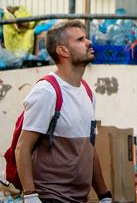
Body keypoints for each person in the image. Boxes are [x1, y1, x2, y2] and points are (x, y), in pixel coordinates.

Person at [15, 20, 112, 203]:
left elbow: (89, 149)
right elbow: (23, 147)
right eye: (80, 39)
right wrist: (30, 195)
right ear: (63, 51)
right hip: (50, 197)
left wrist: (104, 194)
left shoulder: (87, 92)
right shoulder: (47, 91)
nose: (89, 42)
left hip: (79, 198)